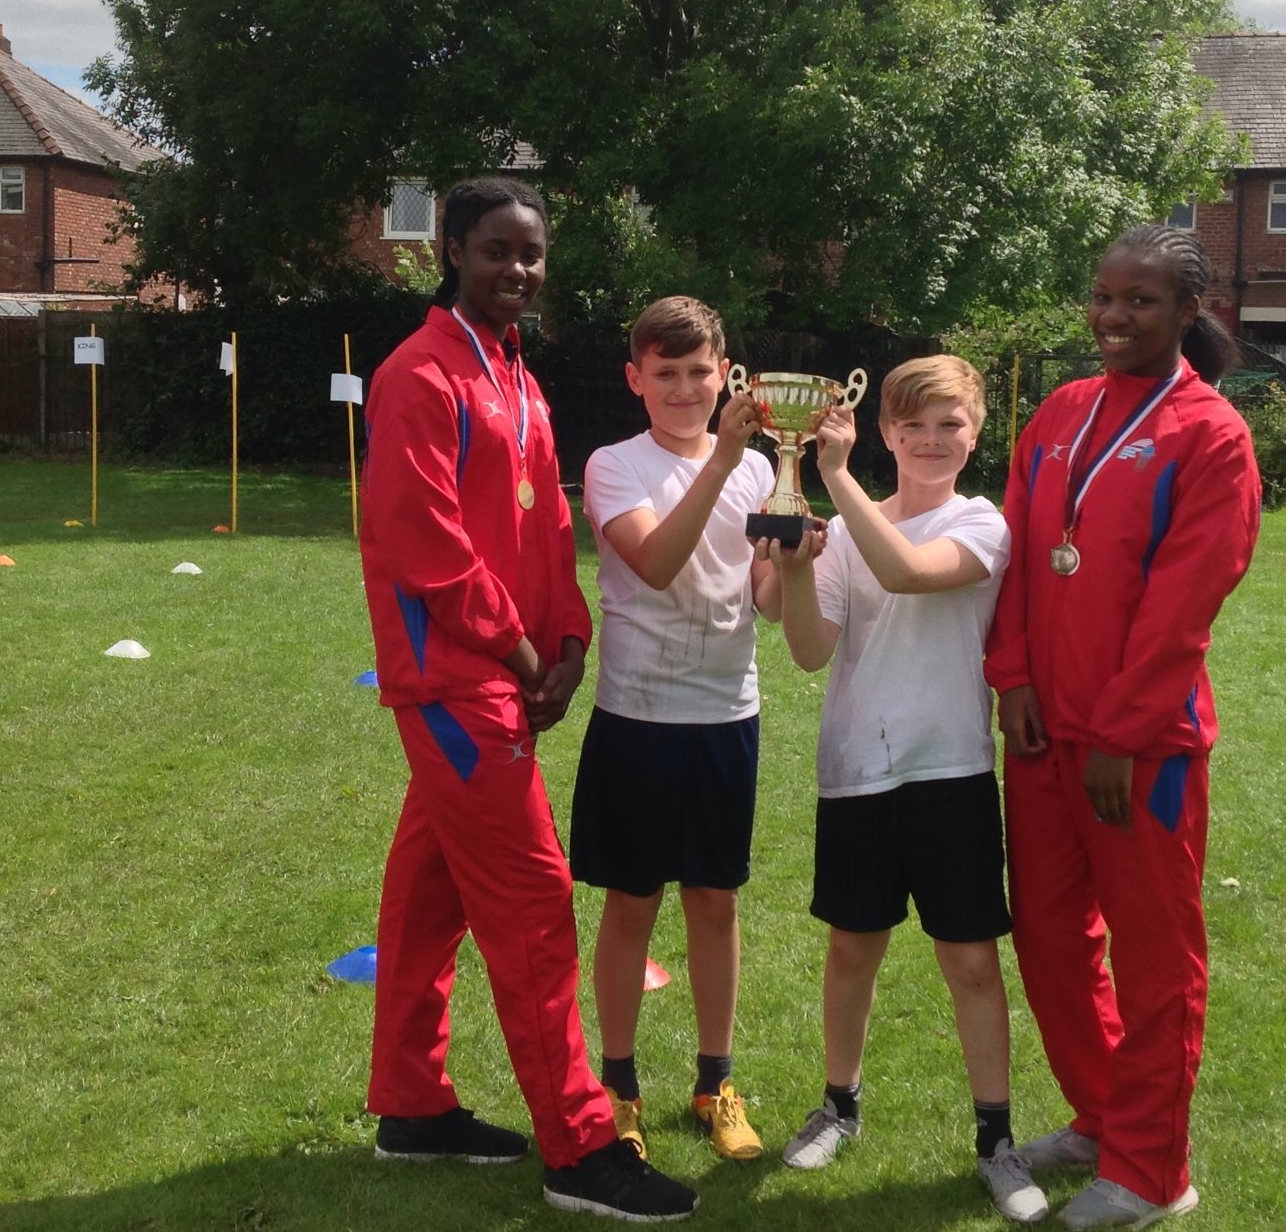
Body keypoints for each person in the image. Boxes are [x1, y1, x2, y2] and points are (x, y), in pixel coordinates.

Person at [357, 177, 697, 1222]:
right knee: (534, 905)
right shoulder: (419, 375)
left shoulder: (516, 377)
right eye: (496, 249)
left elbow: (547, 528)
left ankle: (413, 1107)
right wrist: (512, 648)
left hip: (503, 672)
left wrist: (566, 637)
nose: (517, 269)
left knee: (427, 901)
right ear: (449, 251)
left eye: (531, 253)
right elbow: (425, 546)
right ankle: (579, 1145)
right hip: (455, 682)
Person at [984, 224, 1261, 1230]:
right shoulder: (1059, 412)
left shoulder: (1208, 434)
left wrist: (1119, 732)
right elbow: (1019, 554)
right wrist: (1010, 676)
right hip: (1039, 734)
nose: (1111, 317)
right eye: (1102, 297)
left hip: (1135, 749)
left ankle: (1152, 1171)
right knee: (1052, 940)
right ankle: (1100, 1116)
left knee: (1153, 960)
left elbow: (1183, 603)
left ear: (1186, 311)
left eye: (1138, 301)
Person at [770, 355, 1047, 1224]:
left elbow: (911, 572)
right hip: (857, 767)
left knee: (969, 960)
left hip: (952, 768)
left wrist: (837, 478)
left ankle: (996, 1140)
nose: (931, 441)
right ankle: (840, 1106)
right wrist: (790, 564)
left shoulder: (984, 521)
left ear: (975, 433)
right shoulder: (846, 525)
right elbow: (811, 650)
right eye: (913, 426)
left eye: (950, 425)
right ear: (886, 429)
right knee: (853, 948)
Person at [569, 296, 778, 1164]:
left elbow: (760, 598)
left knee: (716, 902)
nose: (687, 389)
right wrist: (721, 458)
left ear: (725, 371)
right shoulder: (615, 464)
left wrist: (793, 559)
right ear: (636, 380)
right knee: (633, 902)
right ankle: (617, 1086)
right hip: (639, 715)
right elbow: (655, 565)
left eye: (701, 372)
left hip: (727, 710)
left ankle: (714, 1081)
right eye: (667, 374)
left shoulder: (765, 470)